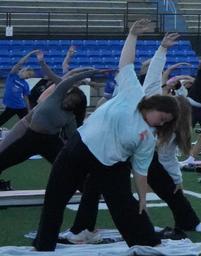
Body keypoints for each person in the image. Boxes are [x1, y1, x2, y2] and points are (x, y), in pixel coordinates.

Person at [32, 19, 185, 251]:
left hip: (111, 164)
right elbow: (126, 63)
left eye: (164, 122)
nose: (159, 122)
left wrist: (143, 197)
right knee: (55, 198)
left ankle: (146, 241)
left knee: (126, 205)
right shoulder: (133, 93)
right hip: (79, 149)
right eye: (161, 116)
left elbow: (141, 171)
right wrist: (133, 35)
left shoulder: (147, 135)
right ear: (152, 104)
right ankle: (44, 244)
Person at [71, 32, 201, 237]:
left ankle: (188, 220)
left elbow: (167, 157)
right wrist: (162, 49)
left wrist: (177, 179)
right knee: (96, 186)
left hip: (138, 151)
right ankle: (84, 227)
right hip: (118, 149)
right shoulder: (150, 97)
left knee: (165, 187)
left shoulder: (165, 128)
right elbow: (153, 74)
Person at [0, 67, 90, 177]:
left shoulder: (70, 111)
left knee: (66, 164)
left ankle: (85, 186)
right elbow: (67, 76)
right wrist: (88, 72)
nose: (78, 83)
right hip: (28, 127)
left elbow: (72, 134)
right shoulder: (60, 91)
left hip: (48, 136)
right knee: (4, 152)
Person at [2, 49, 48, 127]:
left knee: (28, 125)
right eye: (28, 74)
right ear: (24, 71)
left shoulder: (25, 84)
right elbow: (20, 63)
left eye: (30, 76)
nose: (28, 77)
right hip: (10, 107)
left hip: (20, 107)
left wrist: (28, 109)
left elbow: (26, 98)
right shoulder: (12, 76)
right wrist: (31, 53)